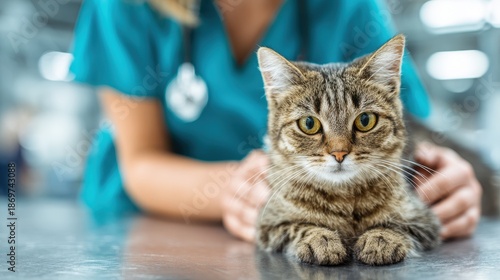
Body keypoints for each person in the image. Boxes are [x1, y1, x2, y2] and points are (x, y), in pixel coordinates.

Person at [70, 0, 481, 242]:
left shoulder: (349, 8)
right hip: (145, 224)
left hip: (323, 210)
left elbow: (402, 130)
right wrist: (235, 189)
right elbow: (141, 160)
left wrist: (447, 177)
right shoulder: (126, 7)